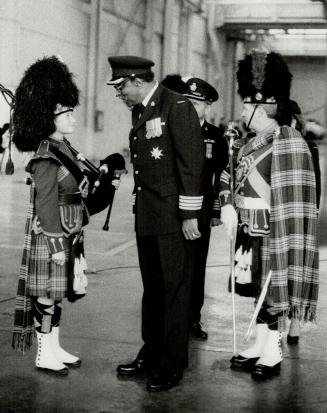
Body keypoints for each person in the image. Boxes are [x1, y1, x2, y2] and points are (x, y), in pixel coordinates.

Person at [12, 56, 125, 376]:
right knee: (47, 295)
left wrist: (107, 173)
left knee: (56, 293)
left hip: (70, 229)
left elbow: (81, 184)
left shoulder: (66, 149)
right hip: (53, 236)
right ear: (51, 116)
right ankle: (44, 353)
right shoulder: (46, 156)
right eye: (67, 112)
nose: (73, 117)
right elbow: (46, 204)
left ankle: (55, 346)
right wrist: (57, 245)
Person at [107, 56, 205, 391]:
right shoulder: (142, 109)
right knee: (153, 288)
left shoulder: (176, 106)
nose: (119, 94)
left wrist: (190, 214)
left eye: (121, 87)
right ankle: (152, 352)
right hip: (148, 212)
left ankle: (172, 362)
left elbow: (191, 163)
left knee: (175, 289)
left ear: (136, 80)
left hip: (173, 216)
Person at [220, 50, 319, 380]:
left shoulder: (285, 140)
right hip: (248, 228)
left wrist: (284, 229)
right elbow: (231, 178)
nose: (244, 109)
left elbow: (293, 196)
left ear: (263, 107)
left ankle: (273, 347)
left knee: (273, 289)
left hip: (274, 228)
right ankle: (260, 342)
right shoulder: (250, 143)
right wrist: (228, 205)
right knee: (254, 288)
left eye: (249, 105)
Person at [181, 76, 228, 339]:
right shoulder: (171, 130)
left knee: (197, 266)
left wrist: (217, 210)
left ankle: (192, 319)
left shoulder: (215, 136)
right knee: (173, 266)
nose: (190, 106)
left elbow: (222, 173)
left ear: (207, 106)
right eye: (186, 100)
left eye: (196, 103)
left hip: (201, 210)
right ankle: (171, 318)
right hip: (174, 209)